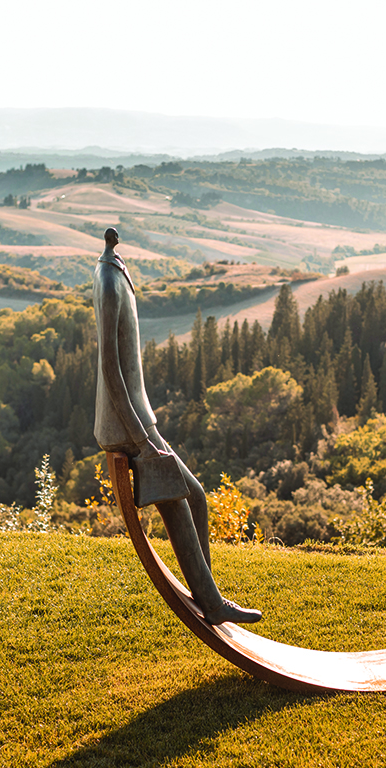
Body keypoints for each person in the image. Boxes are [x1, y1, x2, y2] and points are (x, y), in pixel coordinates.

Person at [93, 228, 260, 625]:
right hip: (127, 425)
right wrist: (139, 438)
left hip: (139, 418)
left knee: (197, 496)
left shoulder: (114, 273)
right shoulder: (110, 283)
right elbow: (110, 368)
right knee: (179, 507)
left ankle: (208, 592)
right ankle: (212, 603)